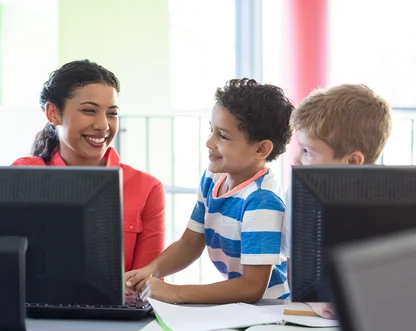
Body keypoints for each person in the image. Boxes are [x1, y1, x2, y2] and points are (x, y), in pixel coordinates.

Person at [125, 78, 294, 304]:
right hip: (240, 306)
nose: (209, 142)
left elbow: (252, 287)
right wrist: (151, 270)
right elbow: (190, 243)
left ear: (261, 149)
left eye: (222, 136)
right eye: (211, 131)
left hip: (269, 309)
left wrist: (176, 293)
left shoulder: (262, 200)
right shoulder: (213, 178)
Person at [12, 60, 165, 279]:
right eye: (89, 111)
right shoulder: (22, 175)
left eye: (112, 113)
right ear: (53, 113)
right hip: (35, 311)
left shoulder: (147, 188)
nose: (103, 125)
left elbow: (147, 284)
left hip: (113, 313)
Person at [282, 83, 392, 318]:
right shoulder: (299, 195)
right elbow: (298, 279)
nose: (296, 160)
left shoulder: (391, 200)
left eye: (308, 152)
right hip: (318, 317)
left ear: (352, 161)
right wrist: (315, 303)